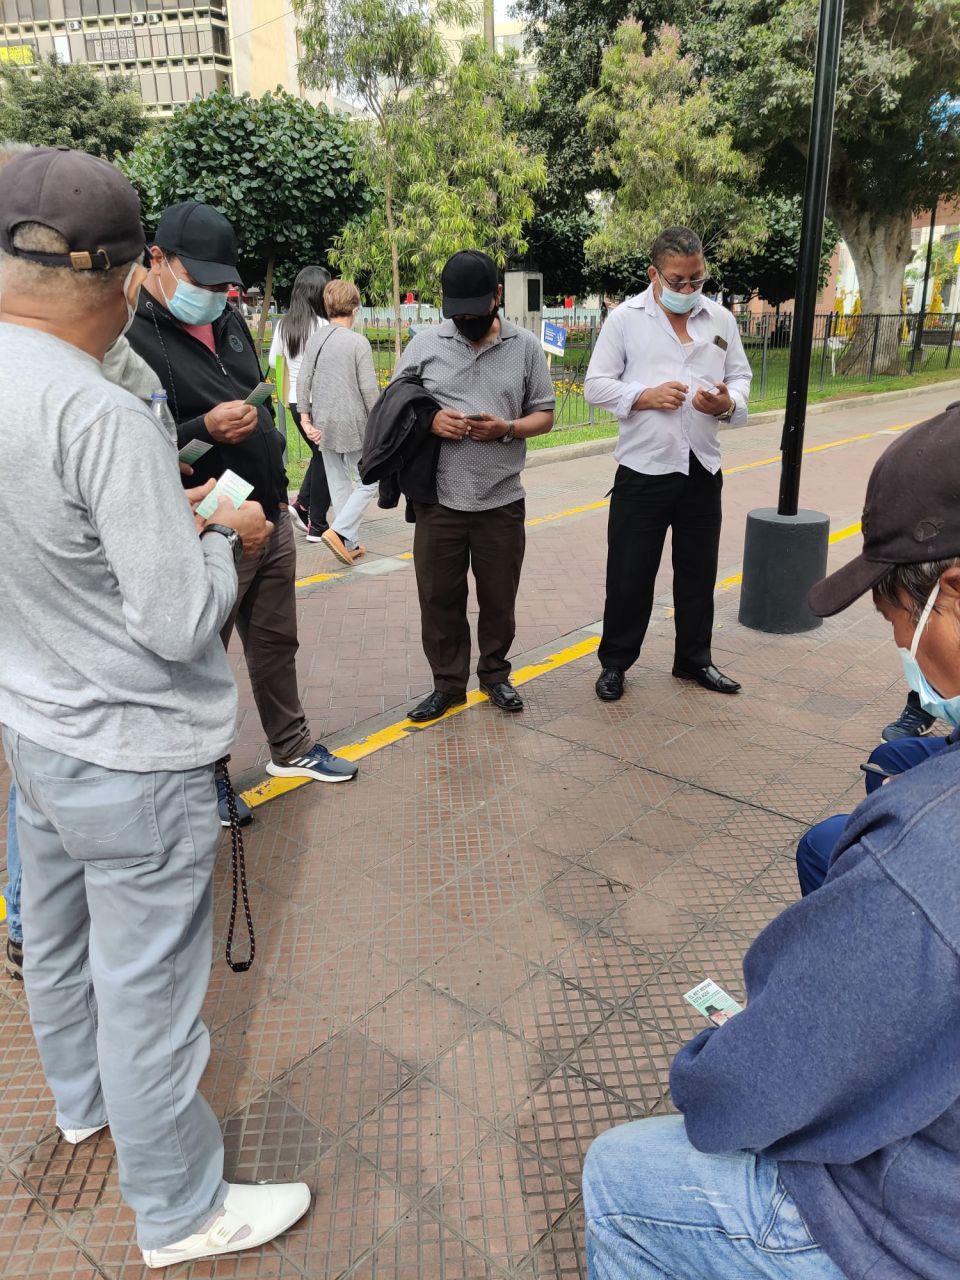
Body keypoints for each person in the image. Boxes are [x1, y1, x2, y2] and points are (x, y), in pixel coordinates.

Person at [0, 145, 311, 1267]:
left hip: (38, 736)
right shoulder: (99, 412)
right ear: (133, 274)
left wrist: (154, 515)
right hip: (136, 756)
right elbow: (182, 622)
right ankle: (180, 1209)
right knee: (150, 996)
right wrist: (232, 538)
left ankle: (80, 1099)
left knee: (65, 943)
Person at [583, 402, 960, 1280]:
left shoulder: (925, 855)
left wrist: (718, 1060)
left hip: (924, 1223)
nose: (900, 640)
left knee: (624, 1175)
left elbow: (741, 1096)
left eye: (903, 609)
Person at [127, 200, 358, 804]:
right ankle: (206, 774)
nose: (213, 293)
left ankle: (292, 747)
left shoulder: (228, 319)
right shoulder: (130, 337)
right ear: (158, 259)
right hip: (207, 524)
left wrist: (268, 445)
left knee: (276, 640)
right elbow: (133, 447)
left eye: (223, 282)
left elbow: (255, 393)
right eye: (201, 279)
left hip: (268, 506)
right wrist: (203, 429)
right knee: (204, 657)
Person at [583, 226, 753, 703]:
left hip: (702, 467)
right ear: (653, 274)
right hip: (644, 469)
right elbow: (595, 385)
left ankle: (694, 659)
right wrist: (644, 396)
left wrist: (726, 403)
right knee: (630, 574)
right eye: (677, 280)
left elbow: (740, 377)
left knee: (699, 572)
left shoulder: (720, 319)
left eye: (696, 279)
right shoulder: (625, 320)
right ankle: (615, 663)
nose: (687, 290)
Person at [391, 249, 556, 722]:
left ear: (497, 297)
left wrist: (506, 428)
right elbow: (395, 407)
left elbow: (544, 414)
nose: (463, 318)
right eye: (455, 310)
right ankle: (448, 685)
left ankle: (495, 675)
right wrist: (430, 421)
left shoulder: (524, 347)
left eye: (473, 309)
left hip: (501, 501)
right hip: (439, 502)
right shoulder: (424, 344)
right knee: (439, 599)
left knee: (498, 601)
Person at [296, 279, 381, 563]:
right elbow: (369, 389)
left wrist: (306, 420)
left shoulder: (316, 338)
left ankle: (349, 541)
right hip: (355, 423)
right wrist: (380, 421)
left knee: (339, 482)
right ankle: (341, 531)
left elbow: (303, 378)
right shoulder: (358, 342)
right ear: (355, 308)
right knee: (371, 481)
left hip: (323, 423)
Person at [267, 264, 334, 539]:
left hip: (295, 403)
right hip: (319, 403)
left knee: (321, 455)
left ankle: (304, 505)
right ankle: (316, 523)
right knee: (327, 457)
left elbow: (273, 361)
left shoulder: (284, 325)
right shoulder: (323, 326)